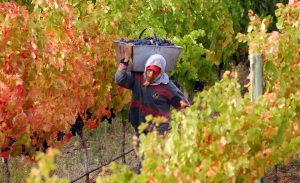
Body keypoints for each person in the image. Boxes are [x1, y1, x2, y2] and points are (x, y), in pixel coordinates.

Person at [115, 43, 190, 136]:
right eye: (148, 72)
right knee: (140, 150)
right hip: (139, 126)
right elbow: (119, 79)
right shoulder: (138, 78)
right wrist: (126, 59)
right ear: (145, 68)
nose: (149, 76)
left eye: (154, 74)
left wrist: (182, 127)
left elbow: (184, 107)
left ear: (160, 73)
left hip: (157, 132)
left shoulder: (167, 87)